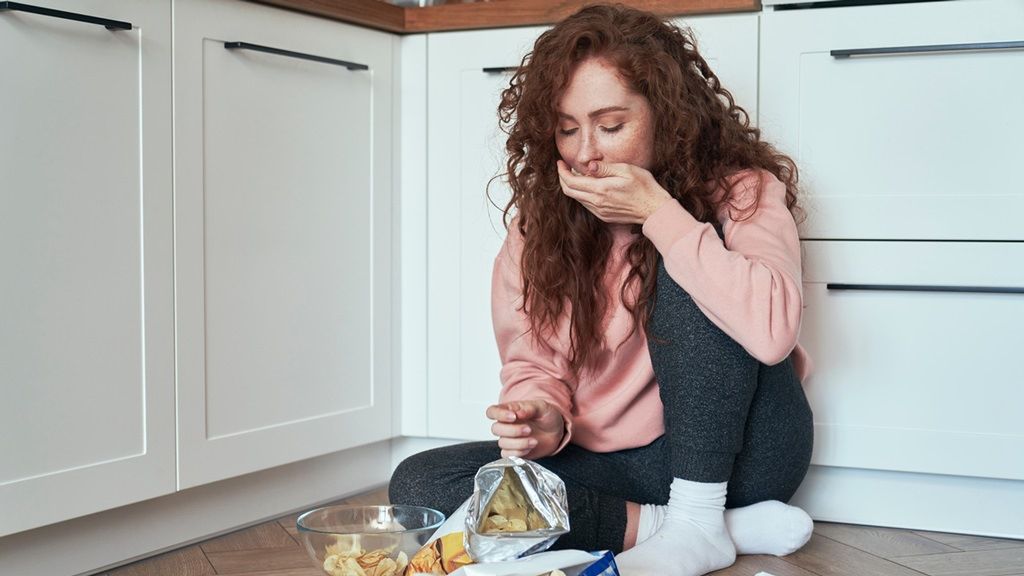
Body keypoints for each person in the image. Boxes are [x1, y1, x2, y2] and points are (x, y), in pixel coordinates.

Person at [390, 5, 815, 575]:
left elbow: (770, 335)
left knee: (692, 259)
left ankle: (699, 512)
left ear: (668, 117)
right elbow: (533, 359)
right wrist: (542, 416)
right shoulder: (537, 227)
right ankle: (687, 528)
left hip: (743, 452)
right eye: (568, 128)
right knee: (421, 480)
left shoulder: (742, 191)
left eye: (611, 126)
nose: (586, 152)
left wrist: (660, 215)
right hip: (611, 465)